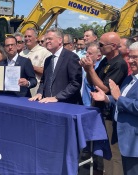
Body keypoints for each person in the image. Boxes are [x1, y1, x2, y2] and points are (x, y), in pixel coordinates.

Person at [80, 32, 128, 175]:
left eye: (101, 45)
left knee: (113, 152)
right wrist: (88, 70)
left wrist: (90, 70)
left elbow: (105, 88)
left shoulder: (119, 64)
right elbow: (92, 81)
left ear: (113, 46)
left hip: (110, 113)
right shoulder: (106, 61)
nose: (99, 47)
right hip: (100, 110)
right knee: (103, 149)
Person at [91, 42, 138, 175]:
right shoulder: (129, 79)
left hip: (134, 142)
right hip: (124, 137)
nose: (130, 60)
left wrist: (118, 98)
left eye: (135, 57)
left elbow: (125, 101)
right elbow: (119, 99)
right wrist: (107, 98)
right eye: (130, 56)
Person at [29, 28, 82, 104]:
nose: (47, 41)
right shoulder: (48, 60)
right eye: (46, 39)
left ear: (60, 40)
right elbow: (44, 81)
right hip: (49, 105)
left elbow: (75, 83)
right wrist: (39, 93)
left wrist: (57, 97)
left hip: (67, 105)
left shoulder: (71, 57)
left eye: (50, 39)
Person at [20, 28, 51, 96]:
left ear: (36, 38)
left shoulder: (44, 52)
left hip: (37, 92)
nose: (27, 38)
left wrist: (29, 66)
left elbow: (47, 72)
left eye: (29, 36)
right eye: (25, 36)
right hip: (23, 93)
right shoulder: (21, 53)